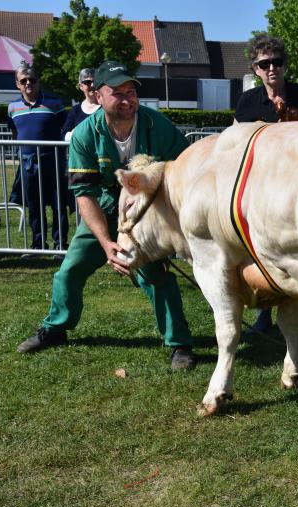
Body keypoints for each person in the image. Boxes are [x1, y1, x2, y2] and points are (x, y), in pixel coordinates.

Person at [17, 60, 199, 371]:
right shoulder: (84, 135)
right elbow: (84, 195)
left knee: (156, 276)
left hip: (144, 214)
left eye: (131, 91)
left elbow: (187, 167)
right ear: (98, 96)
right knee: (69, 271)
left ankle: (179, 344)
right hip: (103, 210)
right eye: (118, 93)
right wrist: (106, 243)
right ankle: (55, 329)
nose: (128, 99)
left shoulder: (159, 125)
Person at [234, 34, 298, 336]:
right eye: (264, 63)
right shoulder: (247, 102)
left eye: (277, 62)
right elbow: (235, 144)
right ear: (255, 69)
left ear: (285, 65)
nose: (272, 68)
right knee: (265, 252)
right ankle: (264, 314)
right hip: (262, 192)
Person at [7, 63, 71, 251]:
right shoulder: (12, 107)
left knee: (58, 204)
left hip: (52, 161)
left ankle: (60, 244)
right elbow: (14, 132)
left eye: (32, 80)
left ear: (38, 82)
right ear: (17, 84)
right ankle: (38, 243)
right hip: (27, 164)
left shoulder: (55, 104)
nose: (28, 84)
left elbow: (65, 129)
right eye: (23, 81)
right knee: (34, 205)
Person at [62, 68, 100, 141]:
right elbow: (64, 135)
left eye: (95, 81)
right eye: (87, 82)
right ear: (81, 86)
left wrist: (77, 131)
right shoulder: (75, 110)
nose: (92, 85)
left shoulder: (105, 107)